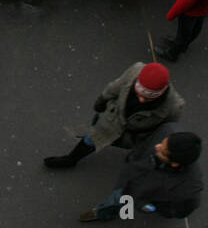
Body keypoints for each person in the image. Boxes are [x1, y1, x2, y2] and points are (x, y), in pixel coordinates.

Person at [44, 62, 183, 169]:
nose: (141, 100)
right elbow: (113, 88)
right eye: (139, 93)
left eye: (148, 98)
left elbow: (163, 132)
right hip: (110, 122)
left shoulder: (174, 106)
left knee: (132, 153)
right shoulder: (135, 70)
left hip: (133, 137)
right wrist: (101, 102)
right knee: (90, 139)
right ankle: (71, 159)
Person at [79, 123, 203, 222]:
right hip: (132, 174)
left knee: (120, 200)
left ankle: (105, 213)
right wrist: (132, 158)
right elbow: (145, 144)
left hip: (140, 196)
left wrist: (149, 206)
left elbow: (180, 211)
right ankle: (109, 209)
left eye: (163, 151)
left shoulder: (188, 189)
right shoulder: (168, 129)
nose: (157, 147)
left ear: (175, 163)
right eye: (162, 142)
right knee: (118, 194)